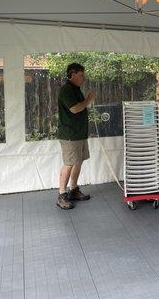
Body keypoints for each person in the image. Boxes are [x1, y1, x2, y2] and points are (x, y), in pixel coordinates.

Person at [56, 62, 97, 210]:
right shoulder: (66, 90)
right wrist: (88, 100)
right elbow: (74, 109)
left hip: (80, 133)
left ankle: (73, 190)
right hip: (70, 135)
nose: (83, 78)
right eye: (81, 75)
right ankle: (62, 195)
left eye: (83, 75)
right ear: (72, 74)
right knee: (69, 163)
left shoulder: (76, 89)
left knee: (78, 162)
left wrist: (86, 100)